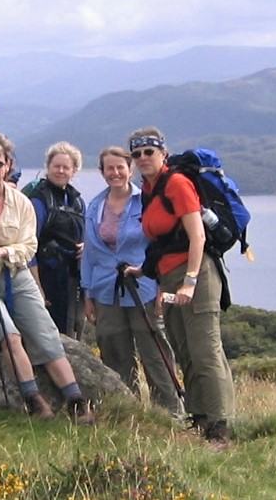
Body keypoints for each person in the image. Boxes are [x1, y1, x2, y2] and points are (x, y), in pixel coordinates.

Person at [0, 130, 95, 425]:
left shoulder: (21, 202)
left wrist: (0, 253)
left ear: (8, 165)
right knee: (9, 336)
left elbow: (28, 246)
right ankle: (34, 401)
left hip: (16, 276)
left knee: (46, 335)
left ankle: (77, 401)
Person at [126, 126, 235, 445]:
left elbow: (197, 236)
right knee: (185, 350)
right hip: (169, 278)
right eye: (137, 154)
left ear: (163, 153)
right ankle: (200, 418)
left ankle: (220, 428)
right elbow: (163, 241)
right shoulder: (148, 189)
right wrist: (146, 273)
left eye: (149, 151)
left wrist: (189, 282)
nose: (143, 158)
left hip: (197, 275)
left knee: (205, 352)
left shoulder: (176, 183)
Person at [81, 146, 184, 417]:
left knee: (154, 351)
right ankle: (126, 409)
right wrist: (87, 292)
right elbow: (90, 254)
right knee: (114, 351)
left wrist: (162, 285)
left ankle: (169, 412)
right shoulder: (94, 205)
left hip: (144, 287)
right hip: (105, 289)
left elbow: (158, 244)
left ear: (130, 169)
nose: (115, 173)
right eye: (109, 168)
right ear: (102, 172)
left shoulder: (146, 201)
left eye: (120, 167)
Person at [26, 142, 85, 336]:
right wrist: (37, 288)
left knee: (72, 332)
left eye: (66, 167)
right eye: (56, 166)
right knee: (49, 334)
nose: (60, 171)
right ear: (48, 167)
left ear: (74, 170)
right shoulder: (39, 200)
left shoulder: (76, 201)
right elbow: (28, 245)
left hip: (71, 277)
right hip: (46, 277)